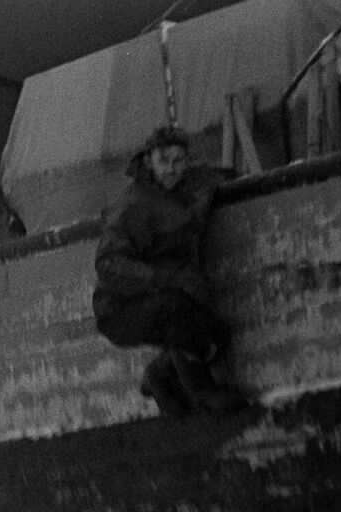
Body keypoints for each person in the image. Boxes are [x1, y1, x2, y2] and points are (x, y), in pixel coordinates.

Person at [92, 126, 247, 418]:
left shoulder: (189, 183)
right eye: (164, 161)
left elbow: (220, 177)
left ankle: (157, 375)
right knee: (178, 312)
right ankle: (203, 393)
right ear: (149, 161)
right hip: (120, 309)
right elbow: (109, 266)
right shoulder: (133, 206)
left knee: (217, 335)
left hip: (166, 294)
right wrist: (171, 279)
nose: (171, 170)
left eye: (179, 161)